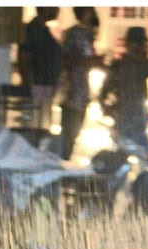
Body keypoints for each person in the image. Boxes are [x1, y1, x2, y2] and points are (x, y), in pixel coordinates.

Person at [99, 26, 148, 148]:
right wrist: (107, 110)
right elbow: (103, 93)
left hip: (135, 116)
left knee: (137, 148)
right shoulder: (119, 65)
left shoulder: (144, 64)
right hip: (124, 116)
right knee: (127, 148)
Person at [57, 6, 103, 160]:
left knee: (72, 131)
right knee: (70, 131)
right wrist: (90, 61)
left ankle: (64, 160)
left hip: (79, 91)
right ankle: (62, 162)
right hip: (73, 91)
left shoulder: (83, 34)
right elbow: (68, 60)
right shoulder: (76, 34)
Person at [18, 7, 62, 129]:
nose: (58, 10)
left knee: (41, 124)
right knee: (37, 126)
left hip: (44, 86)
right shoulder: (33, 30)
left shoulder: (43, 30)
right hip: (38, 86)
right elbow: (24, 58)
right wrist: (29, 84)